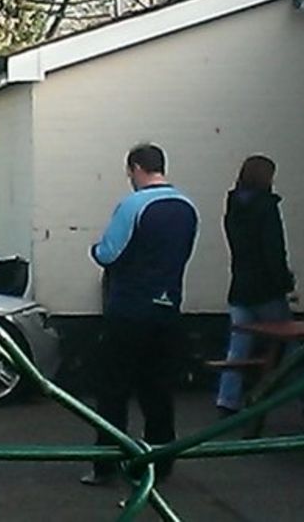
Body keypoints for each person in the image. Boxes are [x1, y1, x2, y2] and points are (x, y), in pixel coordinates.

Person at [82, 143, 198, 486]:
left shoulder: (133, 205)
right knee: (158, 389)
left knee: (114, 389)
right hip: (168, 308)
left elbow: (107, 253)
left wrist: (95, 249)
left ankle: (107, 463)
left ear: (135, 168)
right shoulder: (187, 206)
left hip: (129, 309)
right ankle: (160, 463)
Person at [216, 155, 304, 418]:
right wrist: (285, 282)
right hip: (267, 291)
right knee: (291, 347)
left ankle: (227, 399)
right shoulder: (267, 207)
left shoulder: (233, 207)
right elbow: (274, 250)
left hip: (240, 287)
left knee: (238, 346)